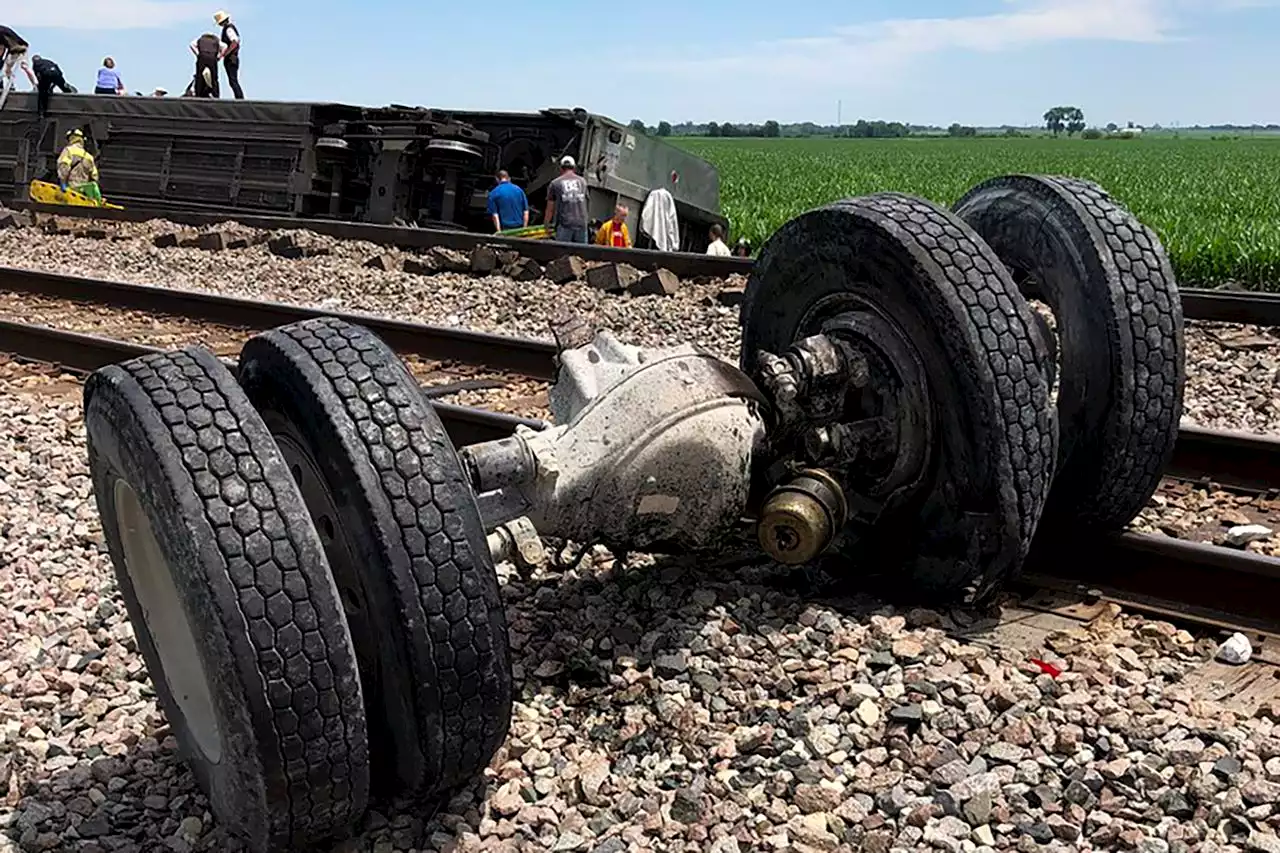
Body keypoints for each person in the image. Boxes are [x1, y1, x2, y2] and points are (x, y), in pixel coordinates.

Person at [544, 155, 589, 244]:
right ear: (574, 167)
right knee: (582, 254)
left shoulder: (555, 183)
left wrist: (546, 225)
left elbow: (550, 209)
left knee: (561, 253)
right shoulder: (583, 182)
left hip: (565, 224)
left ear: (561, 168)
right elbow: (586, 202)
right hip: (581, 223)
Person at [57, 128, 102, 203]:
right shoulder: (88, 156)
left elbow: (64, 167)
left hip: (71, 189)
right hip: (83, 191)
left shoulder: (68, 151)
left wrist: (62, 183)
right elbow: (94, 176)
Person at [214, 11, 243, 99]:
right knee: (233, 80)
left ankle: (239, 98)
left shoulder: (228, 29)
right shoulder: (229, 28)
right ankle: (239, 98)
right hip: (233, 58)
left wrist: (225, 54)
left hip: (231, 58)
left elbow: (234, 42)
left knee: (233, 80)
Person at [0, 25, 30, 111]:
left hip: (19, 49)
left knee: (9, 69)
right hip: (15, 48)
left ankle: (11, 86)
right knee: (7, 69)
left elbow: (2, 48)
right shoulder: (2, 31)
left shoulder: (1, 33)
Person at [190, 32, 221, 97]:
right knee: (214, 78)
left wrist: (198, 54)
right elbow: (225, 46)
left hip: (202, 57)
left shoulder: (200, 39)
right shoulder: (216, 40)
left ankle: (198, 94)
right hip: (212, 58)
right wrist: (219, 56)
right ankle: (215, 94)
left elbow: (192, 45)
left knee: (199, 77)